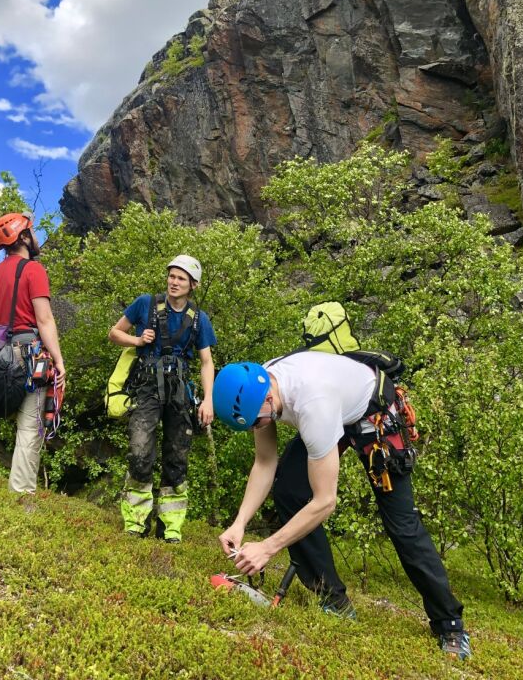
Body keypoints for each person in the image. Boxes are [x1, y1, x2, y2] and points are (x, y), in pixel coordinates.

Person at [212, 352, 470, 660]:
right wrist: (240, 522)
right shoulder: (258, 384)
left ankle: (450, 625)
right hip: (338, 409)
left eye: (258, 421)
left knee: (401, 525)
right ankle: (333, 599)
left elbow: (325, 502)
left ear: (268, 395)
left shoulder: (311, 403)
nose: (258, 426)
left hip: (375, 413)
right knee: (289, 490)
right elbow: (265, 462)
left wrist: (267, 548)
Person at [108, 255, 216, 542]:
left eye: (181, 278)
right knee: (140, 450)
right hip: (146, 388)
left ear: (193, 285)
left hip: (180, 392)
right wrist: (138, 341)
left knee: (177, 457)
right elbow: (115, 333)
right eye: (172, 276)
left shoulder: (199, 319)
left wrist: (208, 400)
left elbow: (207, 362)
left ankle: (171, 526)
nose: (174, 282)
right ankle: (135, 521)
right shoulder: (146, 303)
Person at [0, 211, 66, 495]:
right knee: (30, 428)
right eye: (33, 231)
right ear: (24, 237)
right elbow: (44, 320)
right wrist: (58, 358)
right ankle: (21, 496)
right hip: (30, 355)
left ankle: (19, 489)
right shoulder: (33, 270)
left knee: (20, 425)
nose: (37, 237)